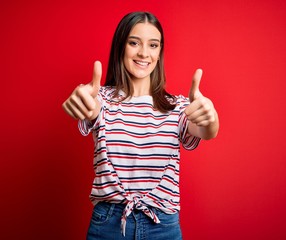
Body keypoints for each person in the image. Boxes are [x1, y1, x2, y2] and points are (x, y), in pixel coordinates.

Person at [62, 11, 219, 240]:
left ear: (160, 52)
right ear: (121, 46)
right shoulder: (102, 100)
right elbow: (91, 107)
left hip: (162, 226)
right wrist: (82, 100)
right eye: (134, 42)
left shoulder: (177, 107)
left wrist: (210, 117)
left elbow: (205, 131)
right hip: (109, 224)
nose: (144, 53)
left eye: (153, 45)